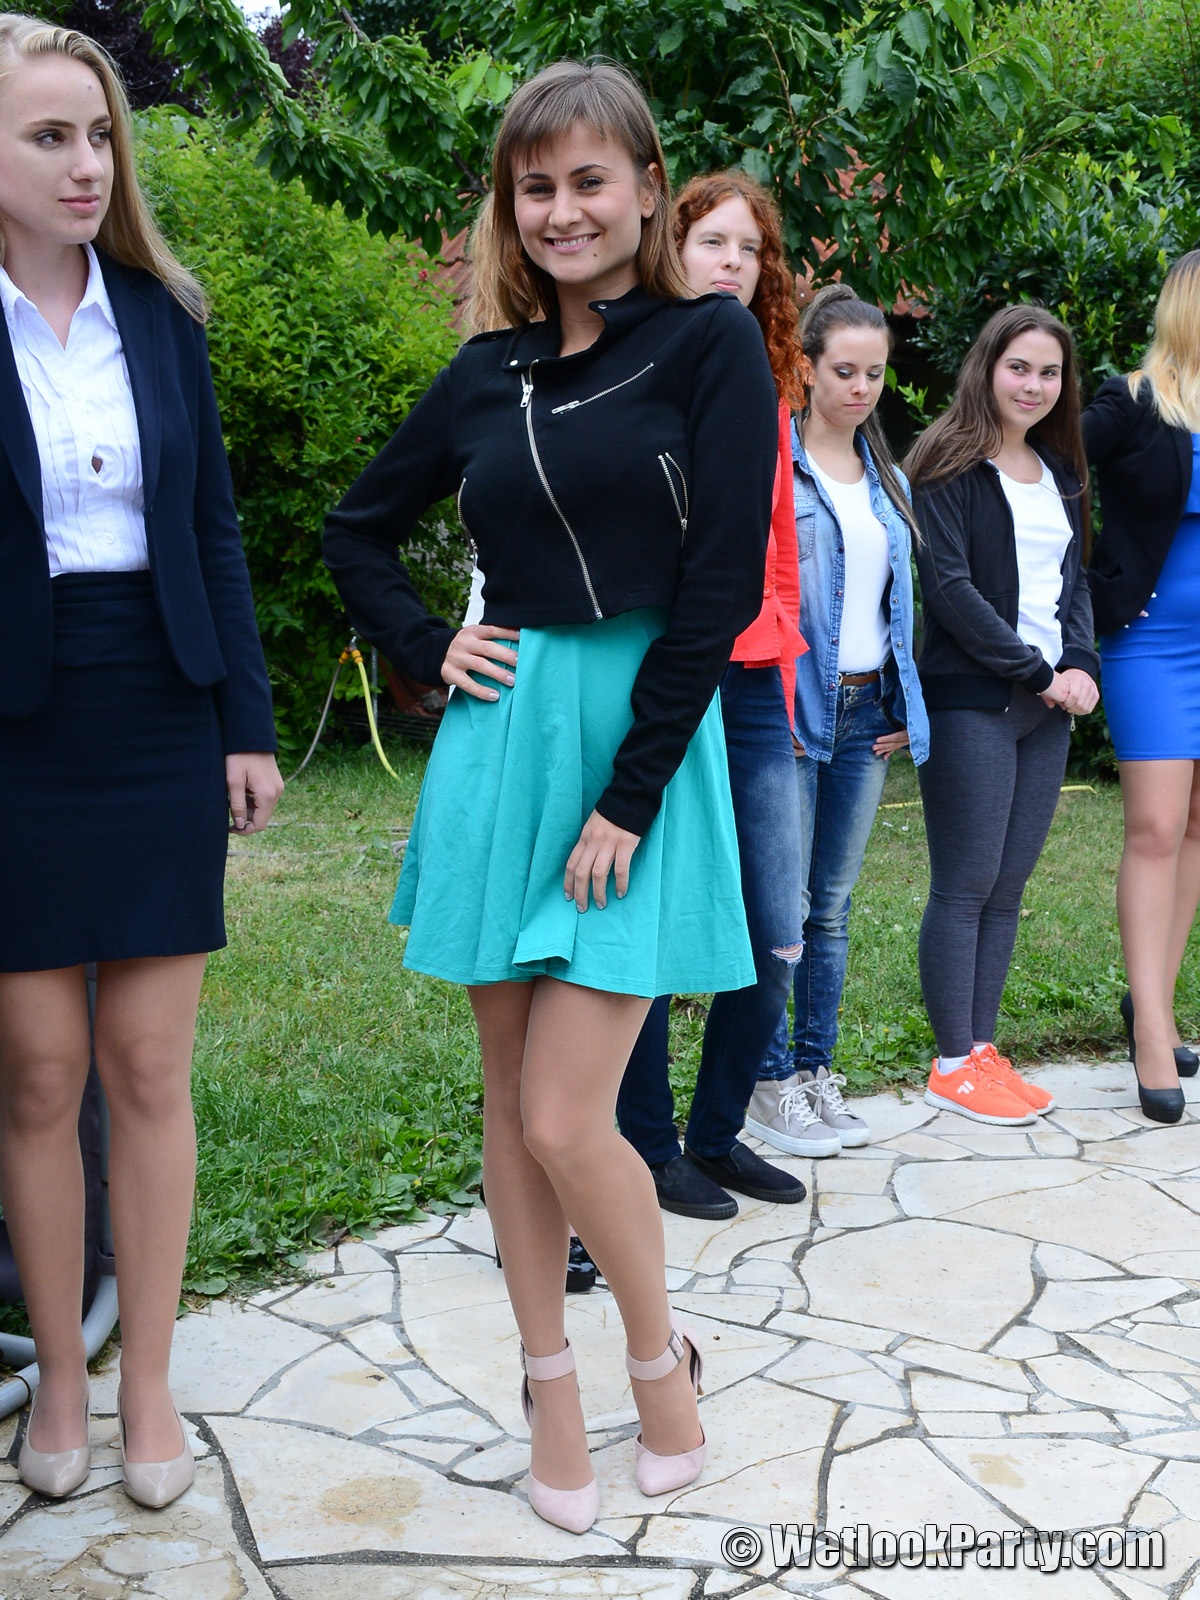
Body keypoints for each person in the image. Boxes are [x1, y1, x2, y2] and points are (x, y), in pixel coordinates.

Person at [322, 62, 778, 1534]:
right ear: (511, 209)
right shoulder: (484, 373)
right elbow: (357, 529)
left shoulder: (710, 343)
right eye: (536, 186)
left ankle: (658, 1363)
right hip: (503, 746)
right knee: (512, 1106)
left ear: (648, 188)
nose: (564, 209)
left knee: (569, 1114)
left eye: (590, 179)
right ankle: (548, 1387)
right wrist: (423, 643)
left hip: (636, 748)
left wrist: (631, 796)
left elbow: (718, 588)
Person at [0, 14, 281, 1507]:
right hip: (13, 725)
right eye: (51, 135)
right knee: (39, 1074)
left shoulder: (161, 315)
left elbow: (212, 527)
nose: (88, 163)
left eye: (101, 134)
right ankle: (63, 1372)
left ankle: (151, 1381)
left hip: (160, 705)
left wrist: (246, 719)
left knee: (148, 1066)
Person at [615, 170, 827, 1225]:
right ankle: (649, 1149)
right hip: (673, 670)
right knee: (656, 918)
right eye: (714, 243)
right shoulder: (642, 363)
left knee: (777, 919)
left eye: (751, 250)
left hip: (754, 681)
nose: (734, 263)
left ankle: (712, 1132)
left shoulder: (769, 379)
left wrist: (784, 670)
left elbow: (778, 552)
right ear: (671, 247)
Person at [906, 305, 1099, 1125]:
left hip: (1044, 709)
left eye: (1049, 372)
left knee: (1008, 889)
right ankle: (952, 1063)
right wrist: (1038, 672)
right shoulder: (945, 464)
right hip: (975, 700)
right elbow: (949, 592)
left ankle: (982, 1051)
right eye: (1019, 367)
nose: (1033, 385)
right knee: (965, 885)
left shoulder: (1059, 471)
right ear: (986, 367)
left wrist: (1081, 665)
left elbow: (1074, 582)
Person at [747, 284, 929, 1154]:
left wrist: (900, 704)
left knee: (831, 906)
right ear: (808, 369)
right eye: (845, 371)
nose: (861, 388)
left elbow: (899, 610)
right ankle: (768, 1078)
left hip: (865, 718)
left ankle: (816, 1071)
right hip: (789, 711)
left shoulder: (889, 481)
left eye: (875, 373)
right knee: (781, 907)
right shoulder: (774, 470)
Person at [1085, 249, 1200, 1125]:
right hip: (1153, 643)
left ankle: (1152, 998)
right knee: (1157, 826)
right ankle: (1153, 1036)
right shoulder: (1129, 401)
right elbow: (1043, 461)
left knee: (1198, 827)